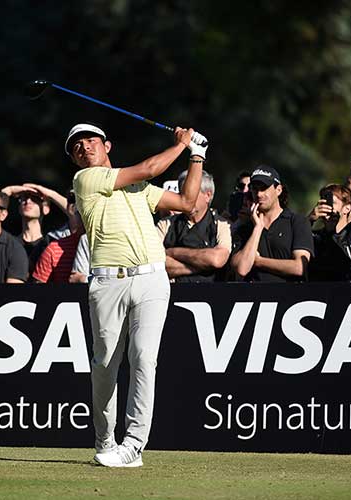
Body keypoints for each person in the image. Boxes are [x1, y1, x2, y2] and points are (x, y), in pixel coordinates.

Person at [69, 122, 206, 467]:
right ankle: (105, 440)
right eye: (77, 147)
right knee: (105, 365)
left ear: (107, 145)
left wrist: (197, 155)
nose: (85, 148)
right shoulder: (84, 181)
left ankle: (134, 445)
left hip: (151, 280)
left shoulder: (139, 188)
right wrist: (182, 144)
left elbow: (189, 202)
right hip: (107, 283)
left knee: (144, 357)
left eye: (91, 142)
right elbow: (148, 167)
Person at [230, 166, 313, 282]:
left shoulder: (297, 222)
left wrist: (259, 261)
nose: (259, 194)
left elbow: (299, 267)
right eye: (255, 189)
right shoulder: (246, 228)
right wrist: (258, 228)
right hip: (255, 298)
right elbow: (241, 269)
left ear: (278, 190)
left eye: (264, 188)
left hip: (289, 297)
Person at [156, 170, 231, 282]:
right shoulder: (166, 225)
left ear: (208, 195)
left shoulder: (221, 225)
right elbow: (156, 266)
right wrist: (204, 266)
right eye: (183, 193)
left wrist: (173, 252)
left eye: (192, 194)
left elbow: (216, 259)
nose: (187, 198)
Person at [31, 201, 84, 284]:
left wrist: (84, 280)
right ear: (76, 216)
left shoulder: (108, 248)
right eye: (83, 215)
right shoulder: (54, 249)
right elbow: (37, 291)